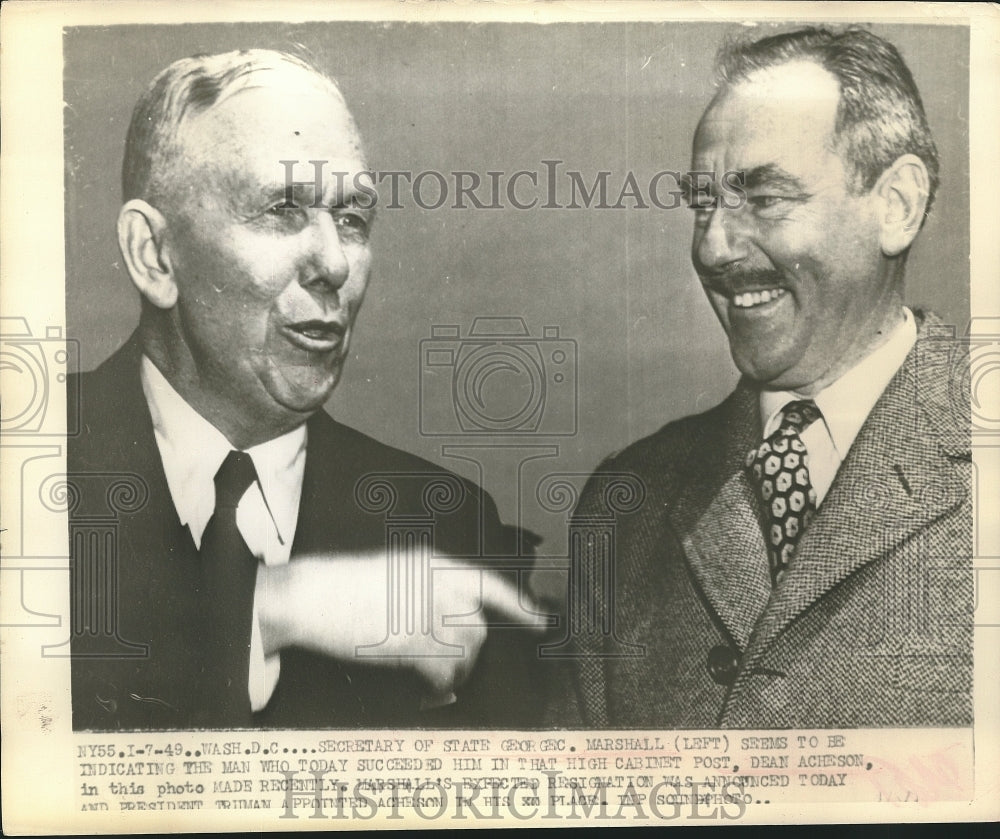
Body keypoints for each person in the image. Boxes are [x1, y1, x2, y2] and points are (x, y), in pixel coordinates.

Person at [67, 49, 543, 730]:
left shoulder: (446, 524)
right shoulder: (24, 465)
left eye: (352, 218)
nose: (334, 262)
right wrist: (272, 607)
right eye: (283, 210)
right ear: (154, 254)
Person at [553, 27, 972, 728]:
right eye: (703, 203)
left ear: (896, 204)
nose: (713, 246)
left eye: (765, 198)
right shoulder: (624, 505)